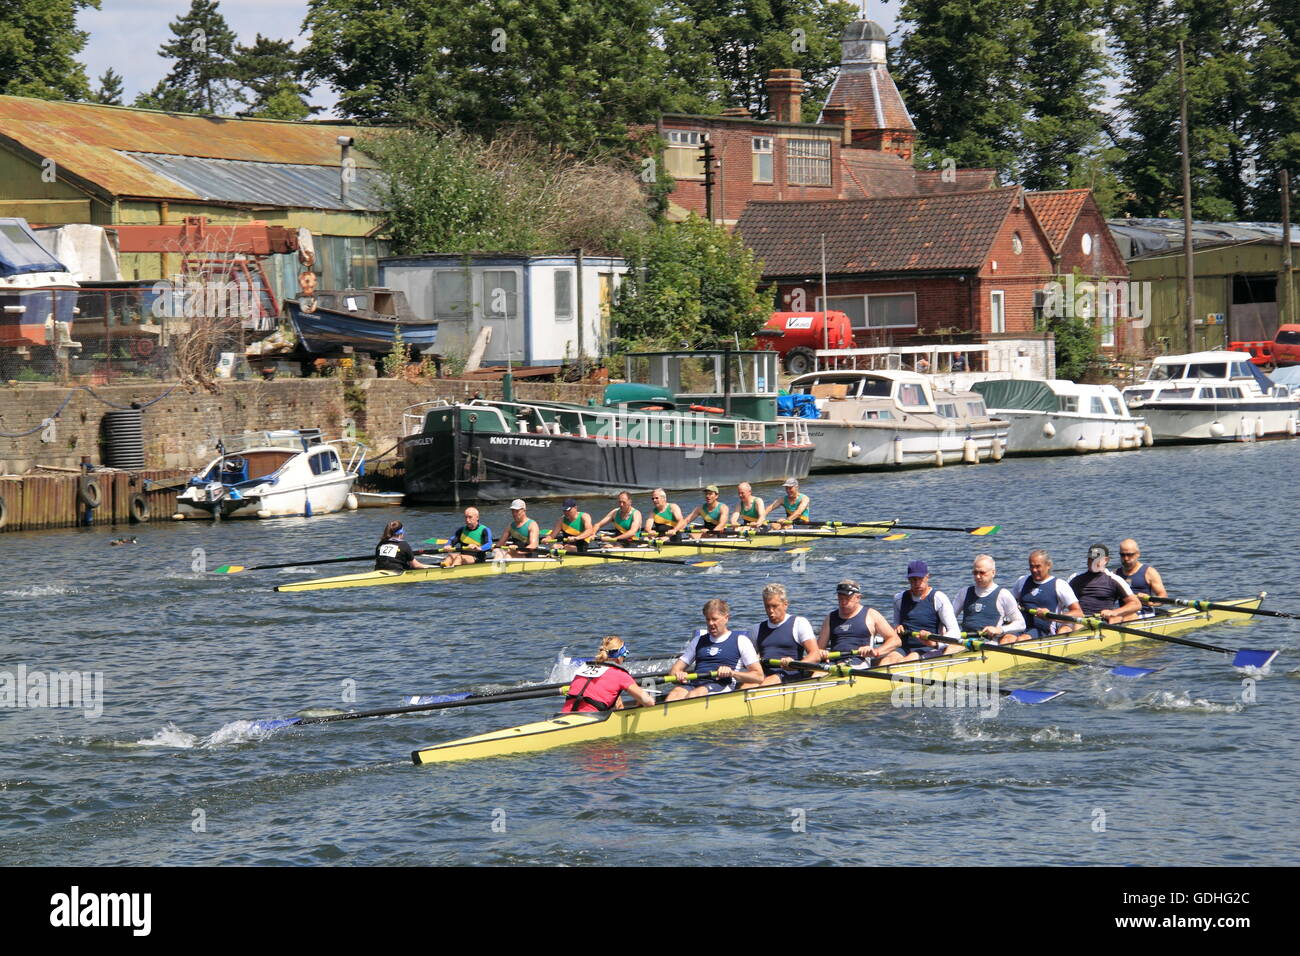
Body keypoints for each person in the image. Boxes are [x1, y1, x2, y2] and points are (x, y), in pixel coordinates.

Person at [664, 598, 764, 700]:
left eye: (714, 619)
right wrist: (678, 675)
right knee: (675, 694)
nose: (710, 623)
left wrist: (732, 673)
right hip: (696, 683)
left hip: (722, 684)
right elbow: (673, 671)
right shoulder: (698, 641)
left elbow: (759, 676)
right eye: (708, 619)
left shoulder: (741, 641)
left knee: (696, 694)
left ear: (726, 618)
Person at [559, 636, 657, 713]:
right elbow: (649, 702)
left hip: (564, 715)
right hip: (591, 719)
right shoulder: (620, 674)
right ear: (619, 657)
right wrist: (640, 698)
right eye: (625, 656)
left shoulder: (584, 668)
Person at [817, 579, 898, 665]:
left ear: (858, 598)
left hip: (859, 661)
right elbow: (818, 649)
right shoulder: (830, 617)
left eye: (847, 599)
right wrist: (821, 652)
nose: (843, 603)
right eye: (840, 598)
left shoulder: (871, 615)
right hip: (833, 662)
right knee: (817, 675)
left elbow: (895, 640)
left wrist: (876, 651)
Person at [892, 560, 961, 660]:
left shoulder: (938, 598)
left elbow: (955, 632)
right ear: (908, 580)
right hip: (904, 648)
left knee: (908, 659)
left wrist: (935, 643)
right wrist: (897, 627)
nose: (917, 583)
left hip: (929, 648)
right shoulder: (899, 599)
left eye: (920, 579)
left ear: (927, 577)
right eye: (913, 579)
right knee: (887, 660)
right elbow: (896, 625)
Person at [753, 583, 821, 685]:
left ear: (785, 604)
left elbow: (815, 655)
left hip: (791, 674)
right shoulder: (756, 629)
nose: (770, 611)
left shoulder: (799, 623)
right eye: (767, 606)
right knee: (746, 685)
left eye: (774, 606)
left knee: (769, 681)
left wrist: (796, 665)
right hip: (765, 675)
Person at [956, 554, 1026, 643]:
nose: (978, 576)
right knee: (950, 649)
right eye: (975, 573)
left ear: (993, 573)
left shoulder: (1003, 595)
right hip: (966, 641)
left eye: (982, 573)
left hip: (989, 642)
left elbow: (1021, 624)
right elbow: (950, 618)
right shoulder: (964, 592)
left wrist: (1000, 630)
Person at [1015, 549, 1083, 639]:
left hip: (1043, 630)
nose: (1034, 570)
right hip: (1020, 626)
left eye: (1038, 566)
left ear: (1048, 565)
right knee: (1007, 638)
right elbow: (1010, 603)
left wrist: (1051, 616)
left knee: (1022, 639)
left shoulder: (1059, 585)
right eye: (1031, 566)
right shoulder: (1022, 581)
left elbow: (1078, 613)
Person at [1068, 543, 1142, 623]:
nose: (1092, 562)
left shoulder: (1114, 580)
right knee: (1066, 628)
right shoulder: (1074, 578)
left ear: (1106, 560)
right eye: (1091, 559)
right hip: (1081, 621)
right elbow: (1059, 600)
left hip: (1103, 621)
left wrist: (1114, 612)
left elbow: (1136, 604)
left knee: (1131, 616)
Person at [1116, 538, 1168, 613]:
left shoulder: (1149, 572)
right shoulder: (1116, 574)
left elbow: (1163, 597)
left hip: (1145, 615)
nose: (1126, 558)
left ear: (1138, 554)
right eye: (1122, 555)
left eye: (1129, 555)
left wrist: (1150, 601)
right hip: (1123, 614)